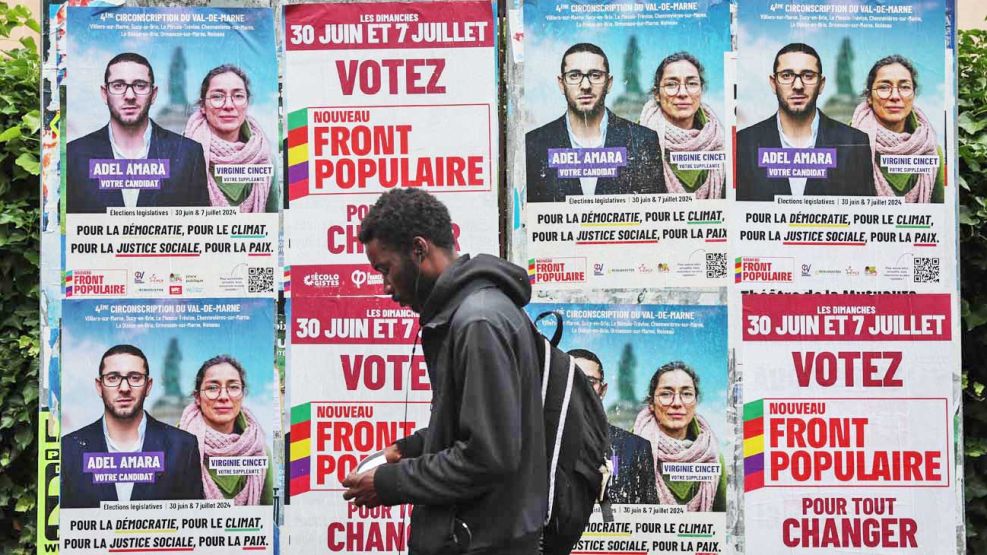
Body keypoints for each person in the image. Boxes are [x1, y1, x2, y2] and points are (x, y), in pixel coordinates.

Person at [342, 189, 546, 554]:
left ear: (419, 249)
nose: (386, 286)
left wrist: (390, 483)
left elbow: (487, 457)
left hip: (482, 542)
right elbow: (475, 425)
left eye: (385, 269)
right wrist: (407, 450)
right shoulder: (474, 313)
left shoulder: (477, 322)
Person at [61, 345, 205, 508]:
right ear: (99, 386)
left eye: (135, 378)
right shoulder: (68, 448)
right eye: (113, 378)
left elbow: (193, 523)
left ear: (148, 385)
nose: (124, 388)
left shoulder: (183, 447)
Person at [65, 53, 209, 212]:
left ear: (153, 94)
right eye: (118, 85)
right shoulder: (74, 154)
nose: (129, 95)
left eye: (140, 85)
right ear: (104, 93)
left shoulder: (188, 154)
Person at [526, 43, 666, 202]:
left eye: (595, 75)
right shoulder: (534, 143)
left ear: (609, 83)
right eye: (574, 75)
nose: (585, 85)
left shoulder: (643, 141)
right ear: (561, 83)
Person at [737, 43, 874, 201]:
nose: (798, 85)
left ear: (821, 84)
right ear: (773, 83)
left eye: (808, 76)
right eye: (787, 75)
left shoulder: (855, 142)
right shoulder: (743, 142)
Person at [180, 355, 273, 505]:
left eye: (233, 387)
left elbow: (268, 517)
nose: (223, 396)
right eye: (212, 388)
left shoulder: (259, 450)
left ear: (243, 394)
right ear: (197, 397)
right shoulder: (176, 446)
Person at [568, 349, 659, 505]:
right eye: (571, 379)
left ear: (603, 390)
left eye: (590, 382)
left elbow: (648, 517)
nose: (580, 388)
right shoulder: (536, 446)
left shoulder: (635, 448)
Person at [633, 361, 725, 512]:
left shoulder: (712, 457)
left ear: (696, 401)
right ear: (651, 403)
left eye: (687, 394)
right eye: (666, 394)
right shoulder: (627, 452)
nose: (677, 403)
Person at [851, 55, 944, 203]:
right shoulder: (846, 145)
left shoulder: (931, 150)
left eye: (905, 87)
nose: (895, 96)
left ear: (913, 95)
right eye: (884, 87)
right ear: (869, 96)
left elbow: (941, 214)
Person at [184, 65, 277, 212]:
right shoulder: (182, 155)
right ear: (203, 105)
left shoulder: (264, 158)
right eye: (217, 96)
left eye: (238, 96)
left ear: (247, 103)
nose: (228, 105)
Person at [639, 52, 726, 199]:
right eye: (671, 84)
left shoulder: (719, 141)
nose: (683, 93)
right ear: (656, 94)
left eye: (692, 84)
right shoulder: (636, 138)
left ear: (701, 90)